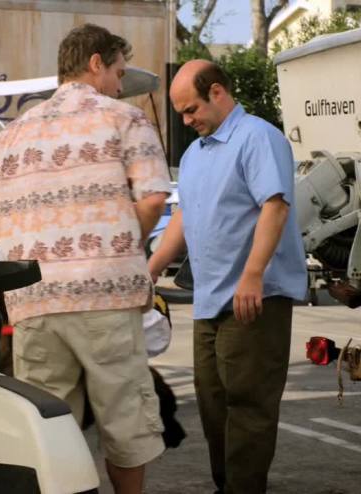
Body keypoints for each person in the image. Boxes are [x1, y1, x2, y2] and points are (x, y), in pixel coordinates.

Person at [0, 23, 171, 494]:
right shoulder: (125, 119)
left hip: (36, 301)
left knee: (50, 427)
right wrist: (117, 249)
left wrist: (27, 252)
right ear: (96, 64)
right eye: (118, 72)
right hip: (106, 299)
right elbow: (153, 199)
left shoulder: (13, 133)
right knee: (126, 424)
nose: (120, 86)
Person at [148, 60, 307, 494]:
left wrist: (253, 274)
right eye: (181, 113)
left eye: (191, 109)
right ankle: (228, 486)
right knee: (212, 403)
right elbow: (184, 214)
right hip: (210, 298)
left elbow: (275, 205)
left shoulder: (257, 137)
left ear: (217, 92)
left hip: (254, 297)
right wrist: (152, 268)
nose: (186, 120)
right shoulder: (195, 154)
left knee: (249, 406)